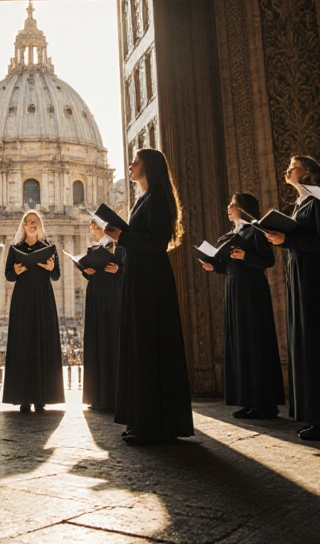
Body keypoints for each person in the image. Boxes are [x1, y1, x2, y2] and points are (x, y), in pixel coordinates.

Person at [104, 148, 194, 444]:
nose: (130, 165)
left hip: (151, 282)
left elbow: (158, 242)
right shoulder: (145, 198)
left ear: (149, 167)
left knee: (149, 347)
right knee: (141, 348)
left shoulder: (156, 199)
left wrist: (122, 237)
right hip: (141, 279)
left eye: (135, 161)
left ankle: (153, 424)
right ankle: (144, 420)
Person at [264, 156, 320, 441]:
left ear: (309, 172)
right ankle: (316, 416)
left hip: (317, 278)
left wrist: (286, 240)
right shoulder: (299, 204)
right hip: (301, 275)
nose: (288, 169)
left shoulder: (319, 200)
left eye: (294, 165)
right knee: (306, 344)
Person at [200, 193, 283, 420]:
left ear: (244, 208)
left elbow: (268, 261)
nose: (229, 207)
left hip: (252, 290)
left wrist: (245, 255)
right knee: (240, 342)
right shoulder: (231, 234)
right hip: (234, 288)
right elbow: (230, 266)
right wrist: (213, 266)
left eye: (233, 204)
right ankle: (248, 400)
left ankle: (264, 403)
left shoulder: (255, 230)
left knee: (255, 341)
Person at [2, 210, 65, 413]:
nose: (32, 223)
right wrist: (15, 271)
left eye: (35, 221)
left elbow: (56, 275)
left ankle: (41, 398)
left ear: (40, 225)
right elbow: (8, 275)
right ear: (23, 226)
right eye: (28, 221)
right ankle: (23, 398)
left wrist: (51, 267)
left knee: (42, 342)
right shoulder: (15, 249)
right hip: (23, 298)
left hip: (43, 298)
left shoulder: (49, 247)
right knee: (23, 344)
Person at [78, 221, 124, 412]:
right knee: (95, 340)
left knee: (111, 339)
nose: (94, 226)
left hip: (112, 296)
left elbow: (129, 269)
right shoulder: (93, 248)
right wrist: (86, 271)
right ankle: (96, 396)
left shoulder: (119, 246)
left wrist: (119, 270)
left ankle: (114, 396)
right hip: (95, 295)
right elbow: (90, 272)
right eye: (93, 223)